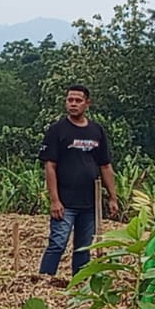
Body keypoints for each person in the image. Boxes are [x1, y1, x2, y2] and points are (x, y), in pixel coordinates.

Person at [37, 85, 120, 278]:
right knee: (58, 243)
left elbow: (105, 166)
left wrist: (113, 197)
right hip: (65, 202)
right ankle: (44, 280)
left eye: (78, 100)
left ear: (87, 103)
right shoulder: (57, 130)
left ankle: (79, 283)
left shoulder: (96, 131)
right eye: (70, 100)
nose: (73, 104)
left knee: (84, 247)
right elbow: (50, 166)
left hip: (90, 203)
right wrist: (54, 200)